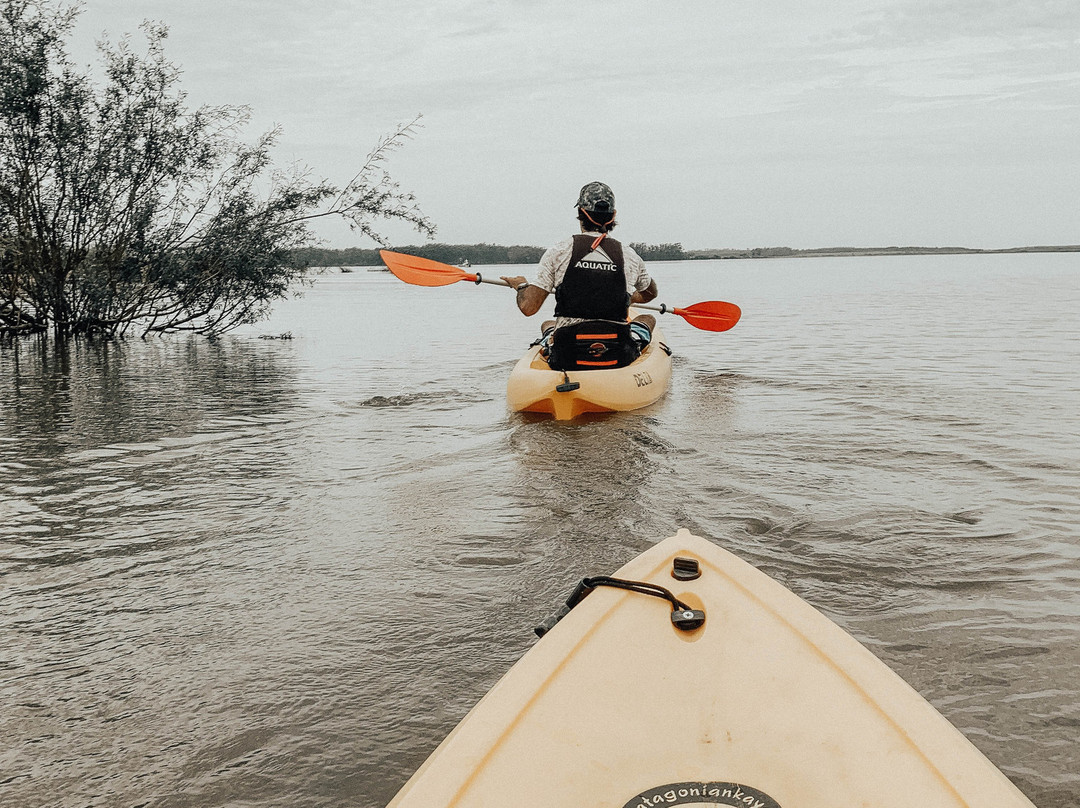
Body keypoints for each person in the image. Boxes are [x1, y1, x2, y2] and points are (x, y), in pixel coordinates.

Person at [500, 181, 658, 363]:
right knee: (648, 318)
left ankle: (549, 346)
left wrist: (521, 285)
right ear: (613, 216)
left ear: (580, 213)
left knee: (548, 325)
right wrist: (625, 295)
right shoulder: (629, 255)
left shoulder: (558, 251)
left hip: (568, 353)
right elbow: (650, 293)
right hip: (617, 351)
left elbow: (529, 308)